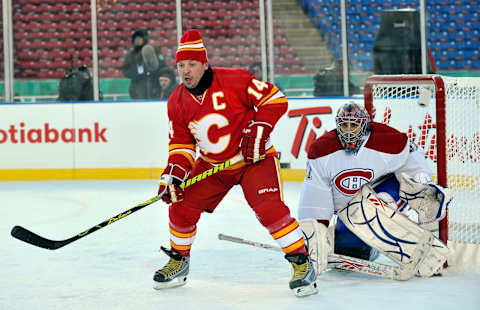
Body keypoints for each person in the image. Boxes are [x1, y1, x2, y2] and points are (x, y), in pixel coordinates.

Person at [153, 29, 317, 297]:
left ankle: (302, 262)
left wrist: (260, 129)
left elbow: (275, 99)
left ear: (205, 64)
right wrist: (173, 174)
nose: (186, 71)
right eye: (181, 65)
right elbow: (182, 145)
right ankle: (179, 261)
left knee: (270, 209)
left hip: (254, 159)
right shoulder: (176, 102)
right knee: (180, 208)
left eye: (192, 64)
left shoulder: (235, 80)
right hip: (213, 166)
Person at [297, 102, 452, 280]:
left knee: (379, 206)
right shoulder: (321, 151)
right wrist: (316, 234)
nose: (348, 130)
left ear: (364, 125)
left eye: (354, 125)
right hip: (349, 208)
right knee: (352, 251)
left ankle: (425, 250)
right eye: (344, 125)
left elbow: (414, 162)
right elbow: (315, 197)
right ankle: (342, 238)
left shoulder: (389, 140)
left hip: (385, 190)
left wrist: (422, 186)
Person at [122, 28, 167, 99]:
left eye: (139, 38)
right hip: (137, 87)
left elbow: (163, 66)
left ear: (144, 39)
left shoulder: (154, 51)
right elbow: (125, 71)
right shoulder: (130, 55)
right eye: (136, 39)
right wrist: (138, 74)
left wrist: (153, 72)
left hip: (154, 85)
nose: (137, 41)